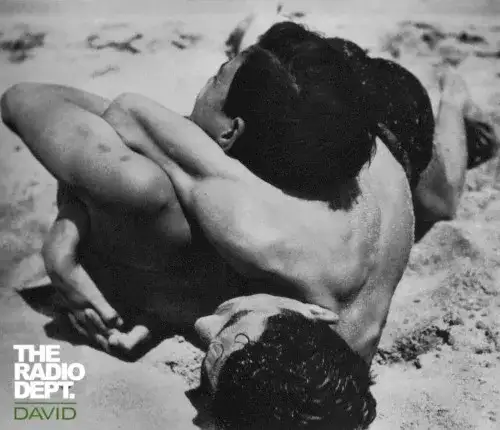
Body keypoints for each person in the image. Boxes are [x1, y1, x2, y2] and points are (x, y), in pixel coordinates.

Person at [2, 22, 496, 430]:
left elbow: (238, 336)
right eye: (228, 323)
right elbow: (130, 114)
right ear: (311, 314)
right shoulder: (265, 234)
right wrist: (71, 218)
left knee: (437, 200)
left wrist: (173, 319)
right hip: (382, 109)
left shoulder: (322, 379)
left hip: (375, 174)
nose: (205, 323)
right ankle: (451, 97)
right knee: (435, 194)